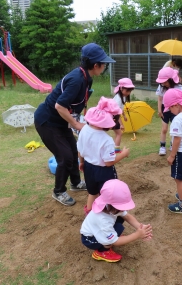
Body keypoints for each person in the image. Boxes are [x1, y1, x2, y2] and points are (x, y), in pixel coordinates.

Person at [34, 43, 115, 206]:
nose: (105, 66)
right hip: (47, 121)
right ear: (95, 65)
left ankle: (76, 183)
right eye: (103, 63)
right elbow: (59, 106)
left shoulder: (86, 78)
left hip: (61, 121)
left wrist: (84, 120)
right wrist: (76, 125)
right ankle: (59, 192)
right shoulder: (77, 79)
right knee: (65, 157)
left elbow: (79, 103)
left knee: (74, 150)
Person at [77, 97, 130, 215]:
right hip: (103, 171)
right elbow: (108, 162)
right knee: (110, 194)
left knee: (92, 192)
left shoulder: (84, 129)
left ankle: (90, 215)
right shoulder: (106, 140)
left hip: (88, 167)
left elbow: (80, 150)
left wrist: (81, 162)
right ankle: (111, 216)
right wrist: (123, 154)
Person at [80, 179, 153, 262]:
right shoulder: (103, 220)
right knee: (112, 237)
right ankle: (102, 252)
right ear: (113, 206)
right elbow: (116, 242)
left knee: (119, 224)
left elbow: (127, 216)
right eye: (122, 207)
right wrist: (137, 235)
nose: (124, 209)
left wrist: (140, 227)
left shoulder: (108, 204)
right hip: (89, 239)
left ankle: (109, 238)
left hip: (99, 228)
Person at [156, 67, 182, 156]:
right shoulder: (161, 86)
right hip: (165, 109)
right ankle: (162, 146)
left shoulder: (179, 87)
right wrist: (159, 110)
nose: (164, 84)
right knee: (164, 129)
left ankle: (173, 145)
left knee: (174, 129)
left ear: (171, 79)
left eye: (166, 82)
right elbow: (160, 99)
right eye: (162, 82)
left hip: (175, 110)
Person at [112, 78, 135, 152]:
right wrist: (121, 124)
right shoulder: (118, 99)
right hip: (113, 118)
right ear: (121, 88)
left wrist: (124, 116)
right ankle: (116, 150)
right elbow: (116, 113)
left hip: (114, 118)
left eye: (130, 91)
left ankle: (114, 149)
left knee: (117, 134)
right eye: (127, 91)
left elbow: (120, 109)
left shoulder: (123, 97)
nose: (128, 93)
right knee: (119, 134)